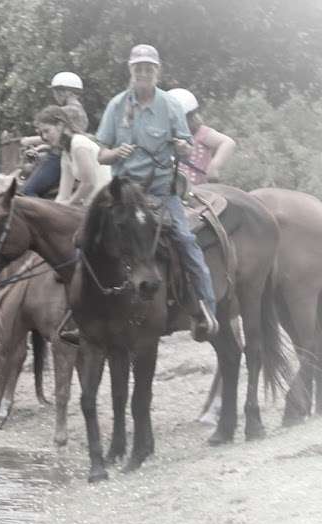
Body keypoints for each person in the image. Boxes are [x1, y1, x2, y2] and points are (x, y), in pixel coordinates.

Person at [95, 43, 218, 340]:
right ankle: (82, 312)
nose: (144, 73)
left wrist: (181, 146)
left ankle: (206, 307)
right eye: (139, 68)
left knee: (186, 239)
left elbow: (188, 150)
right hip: (124, 192)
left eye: (149, 68)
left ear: (157, 72)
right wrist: (115, 153)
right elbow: (100, 154)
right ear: (131, 71)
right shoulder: (116, 106)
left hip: (161, 191)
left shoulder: (170, 105)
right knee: (88, 237)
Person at [21, 71, 90, 198]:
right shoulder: (80, 111)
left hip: (57, 158)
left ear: (66, 92)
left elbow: (56, 136)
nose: (55, 96)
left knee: (27, 191)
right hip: (62, 154)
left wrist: (29, 140)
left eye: (56, 92)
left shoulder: (66, 111)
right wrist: (45, 147)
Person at [32, 105, 112, 206]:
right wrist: (54, 208)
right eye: (42, 133)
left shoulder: (79, 144)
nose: (44, 137)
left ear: (60, 125)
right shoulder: (66, 154)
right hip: (90, 205)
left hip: (106, 203)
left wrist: (69, 203)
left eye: (47, 131)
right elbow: (63, 194)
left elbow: (89, 184)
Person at [167, 88, 237, 187]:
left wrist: (214, 166)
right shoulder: (164, 136)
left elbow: (228, 143)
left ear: (190, 117)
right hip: (173, 188)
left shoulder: (202, 133)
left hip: (201, 189)